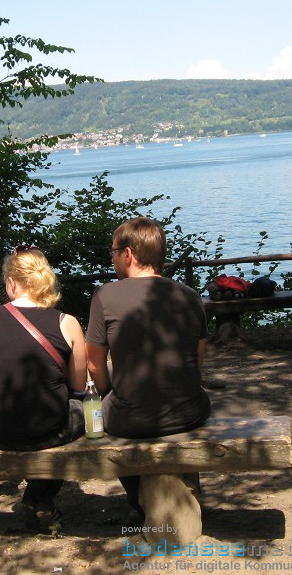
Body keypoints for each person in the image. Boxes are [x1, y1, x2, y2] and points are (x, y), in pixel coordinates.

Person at [86, 217, 210, 518]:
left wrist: (108, 393)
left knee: (100, 415)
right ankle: (179, 492)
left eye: (114, 251)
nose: (113, 257)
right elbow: (198, 359)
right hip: (189, 413)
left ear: (128, 254)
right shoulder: (189, 296)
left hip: (130, 420)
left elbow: (94, 364)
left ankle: (138, 499)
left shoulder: (105, 296)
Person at [0, 246, 87, 531]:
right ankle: (40, 495)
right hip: (44, 430)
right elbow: (78, 385)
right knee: (77, 411)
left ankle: (38, 496)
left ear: (11, 283)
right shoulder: (67, 323)